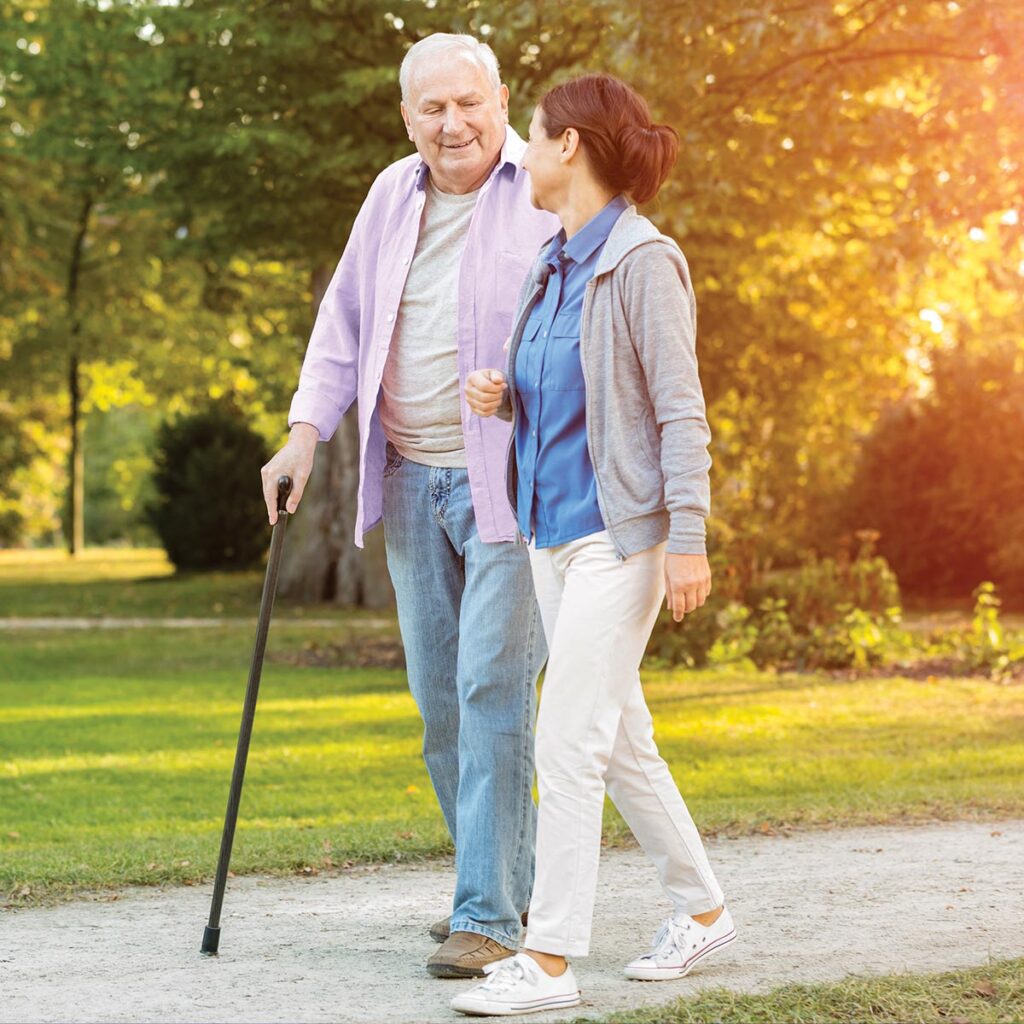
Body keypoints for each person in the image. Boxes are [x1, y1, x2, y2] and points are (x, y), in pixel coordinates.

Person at [260, 34, 558, 978]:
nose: (452, 123)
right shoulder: (392, 195)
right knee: (441, 706)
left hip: (515, 492)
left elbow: (587, 329)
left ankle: (487, 915)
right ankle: (508, 883)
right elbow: (342, 325)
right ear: (407, 116)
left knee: (491, 691)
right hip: (412, 478)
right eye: (431, 108)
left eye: (468, 103)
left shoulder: (544, 191)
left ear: (501, 99)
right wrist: (304, 433)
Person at [456, 73, 735, 1016]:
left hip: (622, 541)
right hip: (551, 533)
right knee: (619, 743)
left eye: (529, 136)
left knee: (566, 742)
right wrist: (510, 395)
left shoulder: (644, 261)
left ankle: (548, 962)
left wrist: (687, 541)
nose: (520, 153)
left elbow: (680, 413)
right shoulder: (555, 261)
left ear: (569, 146)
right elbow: (580, 390)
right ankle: (701, 913)